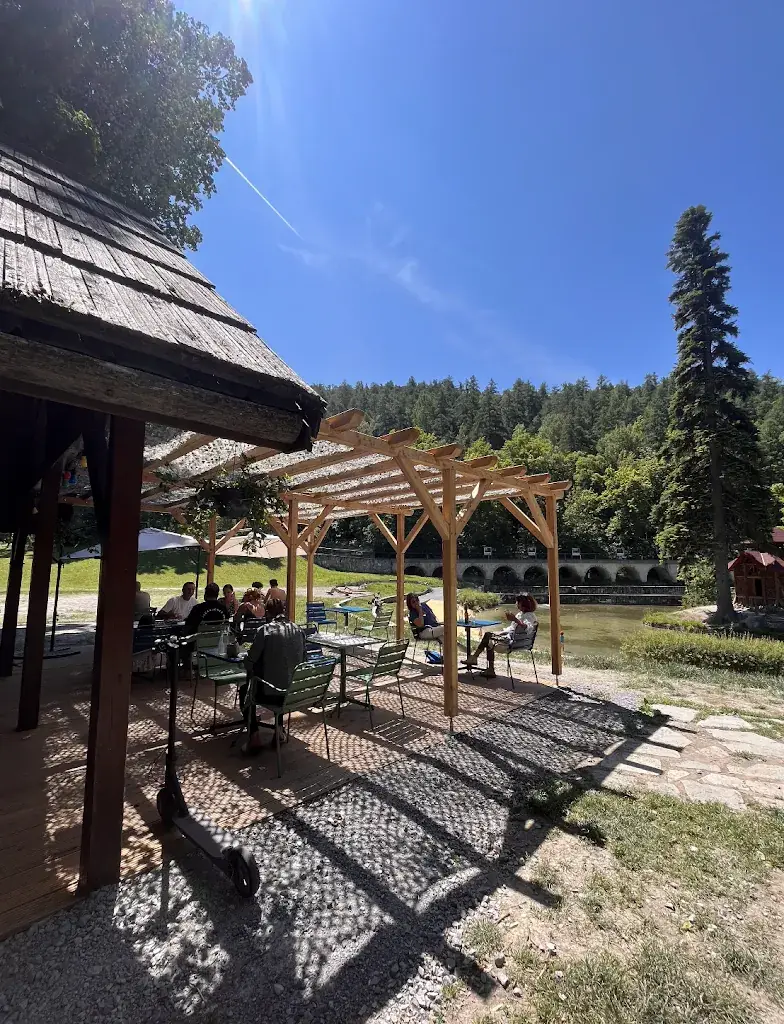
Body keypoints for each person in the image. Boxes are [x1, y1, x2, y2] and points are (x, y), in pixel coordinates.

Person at [240, 618, 306, 754]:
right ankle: (279, 730)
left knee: (245, 690)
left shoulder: (265, 630)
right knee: (281, 680)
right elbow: (304, 660)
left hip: (273, 695)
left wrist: (246, 660)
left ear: (269, 614)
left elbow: (250, 662)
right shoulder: (298, 630)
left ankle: (254, 736)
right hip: (294, 694)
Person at [466, 594, 538, 680]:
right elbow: (512, 629)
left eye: (517, 602)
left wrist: (515, 620)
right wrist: (500, 633)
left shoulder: (529, 616)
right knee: (489, 637)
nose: (516, 604)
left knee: (488, 637)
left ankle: (477, 660)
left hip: (510, 644)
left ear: (522, 604)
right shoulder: (522, 614)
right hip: (517, 642)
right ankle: (483, 664)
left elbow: (527, 627)